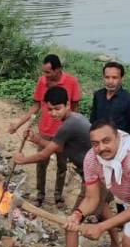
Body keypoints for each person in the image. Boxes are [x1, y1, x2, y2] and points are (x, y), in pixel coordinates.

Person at [13, 87, 122, 247]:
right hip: (102, 173)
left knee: (72, 222)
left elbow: (44, 155)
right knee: (103, 209)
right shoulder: (72, 121)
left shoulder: (69, 125)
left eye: (57, 108)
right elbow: (59, 148)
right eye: (50, 109)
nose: (53, 113)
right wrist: (36, 139)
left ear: (68, 105)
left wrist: (22, 160)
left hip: (96, 177)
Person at [9, 54, 81, 209]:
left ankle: (58, 195)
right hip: (45, 130)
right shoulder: (42, 81)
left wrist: (71, 128)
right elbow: (35, 106)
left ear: (58, 69)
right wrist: (18, 124)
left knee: (62, 165)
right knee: (41, 163)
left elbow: (75, 107)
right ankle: (40, 194)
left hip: (63, 132)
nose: (45, 75)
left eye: (48, 72)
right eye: (44, 72)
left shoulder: (71, 82)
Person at [90, 62, 130, 140]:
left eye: (114, 78)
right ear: (103, 78)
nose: (110, 81)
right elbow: (93, 120)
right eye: (107, 77)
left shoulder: (129, 99)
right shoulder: (98, 95)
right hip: (100, 140)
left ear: (121, 79)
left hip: (120, 142)